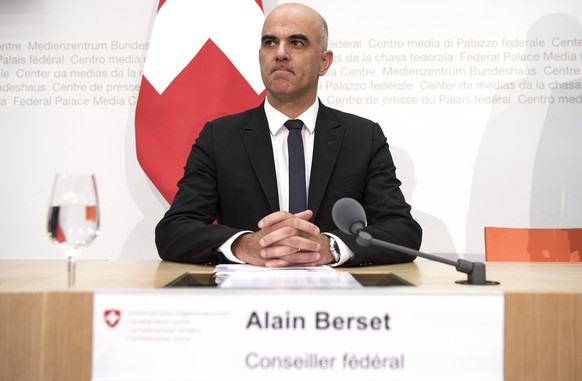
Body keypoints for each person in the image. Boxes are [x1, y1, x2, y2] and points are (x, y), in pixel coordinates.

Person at [155, 3, 422, 267]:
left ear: (324, 61)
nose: (280, 53)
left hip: (337, 302)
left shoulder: (362, 138)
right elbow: (174, 231)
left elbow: (402, 232)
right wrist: (244, 245)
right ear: (260, 55)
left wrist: (330, 247)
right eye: (270, 43)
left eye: (297, 43)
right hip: (245, 300)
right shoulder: (219, 137)